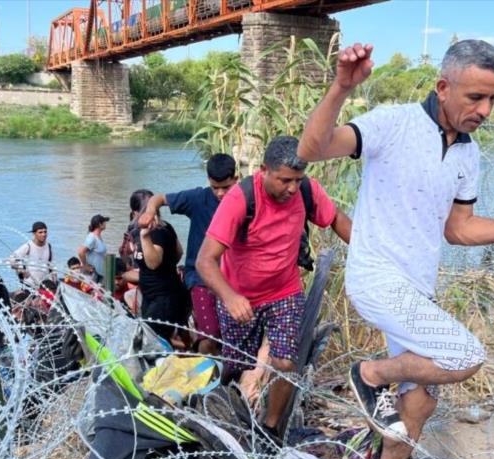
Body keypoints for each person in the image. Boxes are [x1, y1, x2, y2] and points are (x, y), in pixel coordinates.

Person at [298, 40, 494, 459]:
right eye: (475, 97)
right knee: (464, 355)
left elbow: (458, 229)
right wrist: (340, 88)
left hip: (417, 289)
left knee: (417, 405)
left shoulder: (468, 153)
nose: (486, 110)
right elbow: (312, 148)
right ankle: (369, 374)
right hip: (377, 279)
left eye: (493, 98)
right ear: (443, 87)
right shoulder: (393, 124)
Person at [197, 136, 352, 438]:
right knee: (237, 367)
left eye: (297, 180)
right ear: (264, 170)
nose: (292, 188)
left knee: (284, 362)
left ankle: (270, 430)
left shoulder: (306, 190)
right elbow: (205, 260)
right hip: (240, 295)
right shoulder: (241, 199)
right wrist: (229, 297)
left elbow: (336, 219)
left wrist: (370, 253)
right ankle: (235, 421)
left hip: (285, 292)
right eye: (284, 180)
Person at [138, 154, 238, 355]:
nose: (219, 193)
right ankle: (205, 374)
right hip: (200, 278)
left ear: (236, 179)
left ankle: (222, 374)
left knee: (232, 338)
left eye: (225, 188)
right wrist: (150, 212)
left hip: (232, 279)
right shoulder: (198, 199)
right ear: (208, 181)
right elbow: (159, 198)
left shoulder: (243, 201)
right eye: (215, 187)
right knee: (210, 334)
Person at [133, 195, 190, 348]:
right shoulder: (166, 227)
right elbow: (179, 252)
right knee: (154, 337)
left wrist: (145, 237)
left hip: (163, 297)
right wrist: (169, 265)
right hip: (154, 295)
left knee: (154, 342)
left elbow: (153, 264)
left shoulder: (155, 232)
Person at [9, 221, 55, 288]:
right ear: (34, 233)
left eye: (45, 232)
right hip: (29, 285)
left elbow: (52, 266)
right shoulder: (28, 246)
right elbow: (11, 260)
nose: (44, 234)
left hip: (44, 285)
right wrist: (21, 270)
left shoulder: (49, 246)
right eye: (40, 232)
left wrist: (54, 281)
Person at [78, 214, 109, 281]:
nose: (105, 224)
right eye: (104, 222)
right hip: (93, 275)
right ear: (100, 224)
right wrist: (85, 266)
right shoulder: (92, 237)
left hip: (100, 274)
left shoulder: (98, 237)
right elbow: (81, 252)